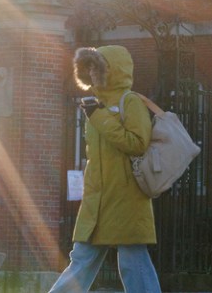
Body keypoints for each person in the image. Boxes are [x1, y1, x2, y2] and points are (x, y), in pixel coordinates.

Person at [49, 45, 161, 293]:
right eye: (88, 66)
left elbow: (138, 143)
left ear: (111, 69)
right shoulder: (97, 103)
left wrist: (98, 116)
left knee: (133, 261)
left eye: (96, 66)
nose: (91, 71)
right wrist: (97, 113)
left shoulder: (129, 101)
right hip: (96, 198)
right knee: (82, 259)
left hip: (125, 198)